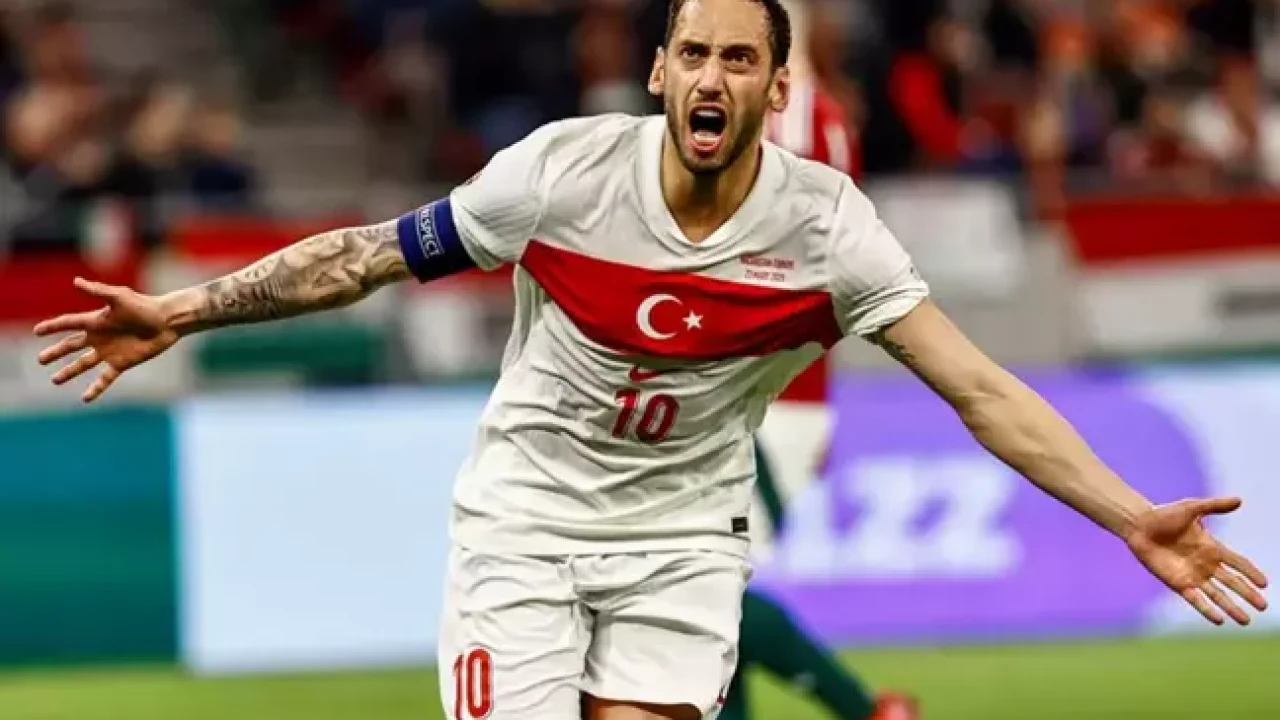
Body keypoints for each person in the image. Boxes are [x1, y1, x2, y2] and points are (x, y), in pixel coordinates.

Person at [33, 1, 1267, 719]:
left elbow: (979, 389)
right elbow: (362, 258)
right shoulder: (558, 175)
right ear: (659, 72)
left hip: (681, 543)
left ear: (775, 89)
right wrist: (182, 311)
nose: (712, 76)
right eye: (694, 53)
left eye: (740, 58)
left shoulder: (825, 229)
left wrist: (1128, 517)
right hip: (522, 529)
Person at [722, 2, 918, 719]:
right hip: (775, 391)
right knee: (700, 593)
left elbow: (798, 253)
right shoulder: (818, 115)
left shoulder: (798, 116)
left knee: (706, 593)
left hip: (758, 392)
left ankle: (865, 708)